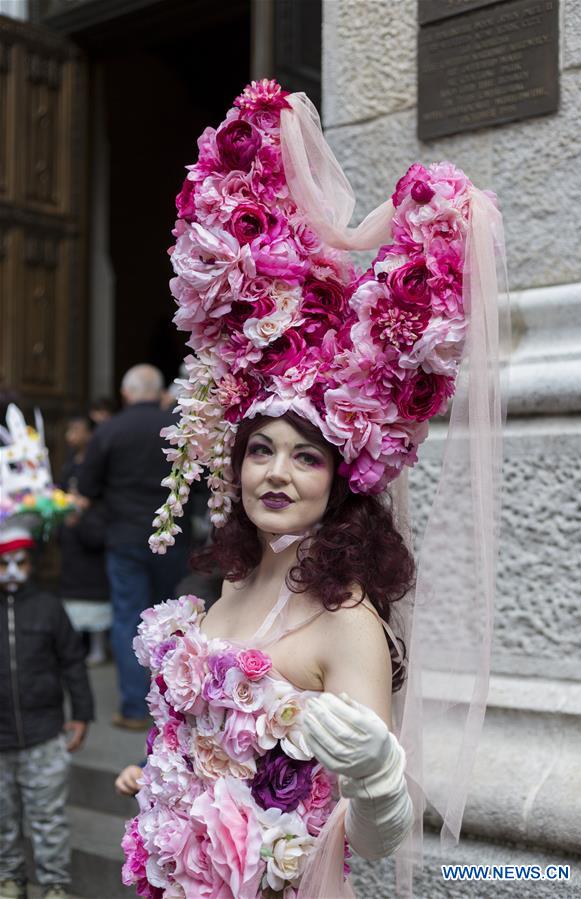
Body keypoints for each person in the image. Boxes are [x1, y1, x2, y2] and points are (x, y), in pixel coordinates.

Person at [122, 81, 506, 898]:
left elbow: (368, 837)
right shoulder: (236, 573)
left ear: (342, 478)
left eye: (305, 457)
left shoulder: (348, 621)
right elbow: (213, 738)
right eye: (260, 450)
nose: (274, 472)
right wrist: (163, 778)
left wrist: (374, 777)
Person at [78, 364, 189, 729]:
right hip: (171, 536)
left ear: (126, 394)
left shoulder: (109, 429)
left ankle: (133, 709)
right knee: (172, 620)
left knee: (128, 619)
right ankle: (174, 706)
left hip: (124, 537)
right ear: (159, 394)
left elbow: (88, 486)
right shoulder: (177, 430)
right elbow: (198, 484)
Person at [0, 525, 94, 899]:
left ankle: (55, 882)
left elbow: (73, 662)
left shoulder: (48, 607)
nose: (11, 571)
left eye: (19, 562)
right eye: (3, 563)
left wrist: (82, 713)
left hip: (44, 733)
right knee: (3, 818)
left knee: (48, 817)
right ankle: (10, 876)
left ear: (30, 563)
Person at [59, 414, 111, 665]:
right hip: (72, 534)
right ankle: (76, 645)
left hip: (92, 528)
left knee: (95, 591)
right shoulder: (69, 465)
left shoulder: (99, 464)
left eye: (77, 429)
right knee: (73, 591)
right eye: (70, 430)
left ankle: (98, 645)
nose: (72, 436)